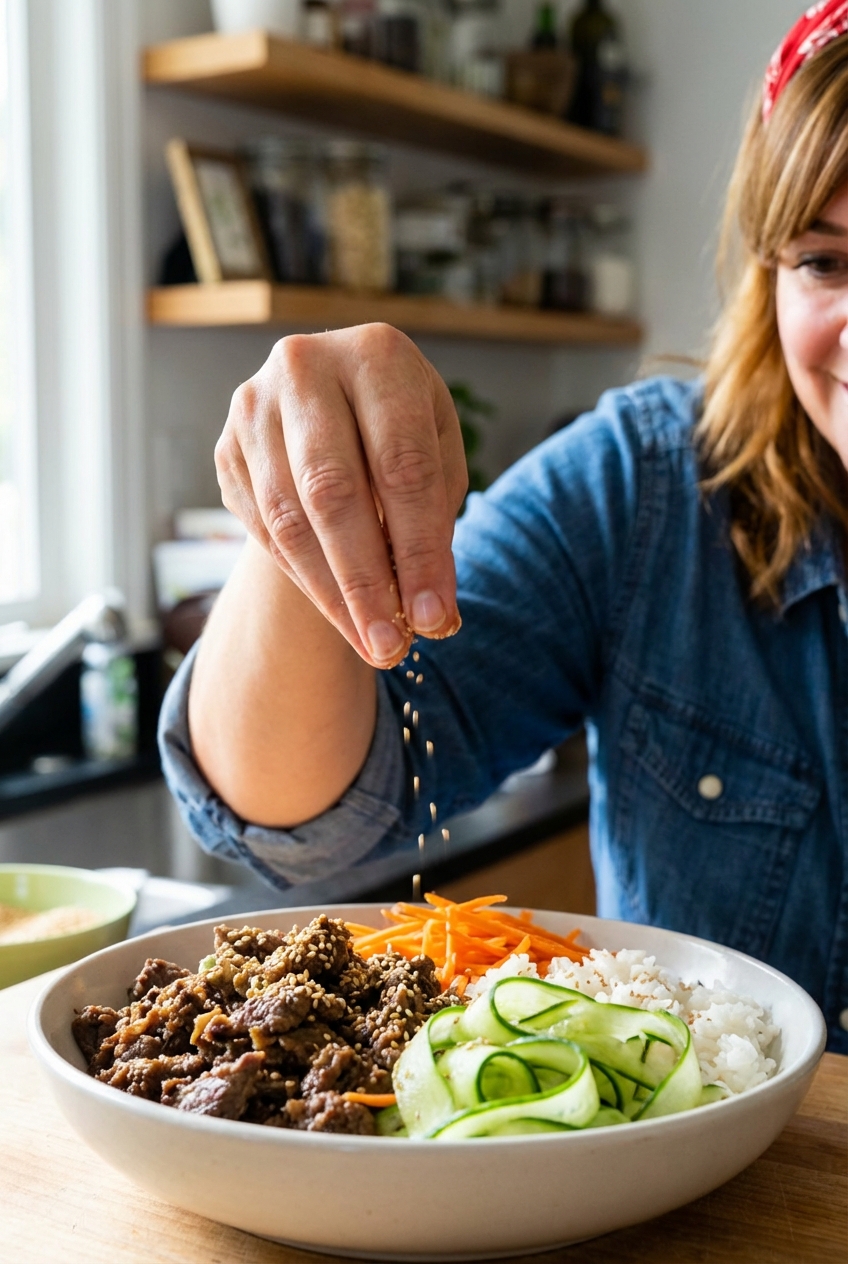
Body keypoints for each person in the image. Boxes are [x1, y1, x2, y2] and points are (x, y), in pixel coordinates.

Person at [160, 5, 848, 1052]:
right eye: (823, 262)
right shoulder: (648, 485)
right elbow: (307, 818)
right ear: (767, 275)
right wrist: (297, 509)